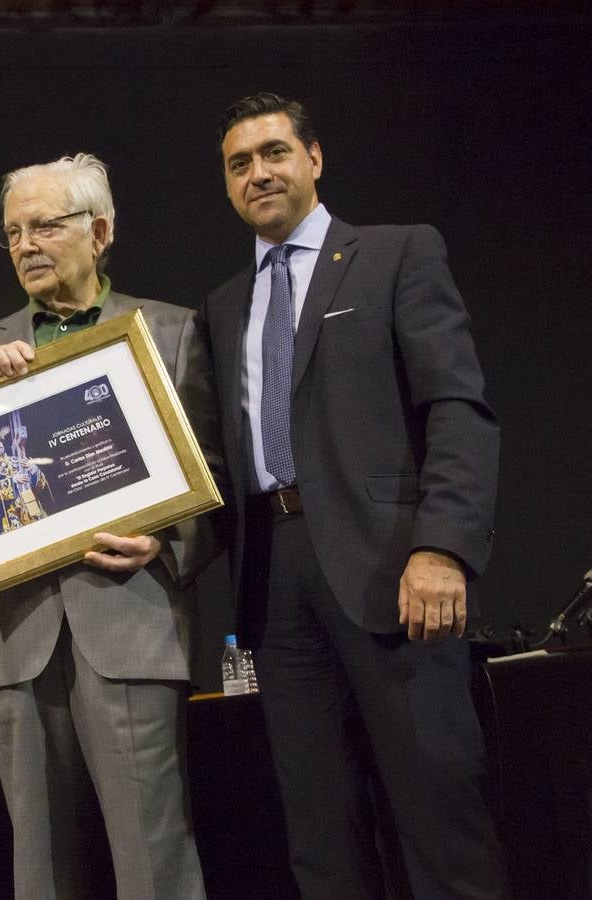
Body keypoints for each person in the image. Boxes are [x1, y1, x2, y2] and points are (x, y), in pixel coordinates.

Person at [200, 92, 506, 899]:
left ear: (314, 159)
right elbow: (215, 464)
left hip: (392, 571)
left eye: (274, 153)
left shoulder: (396, 253)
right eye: (240, 164)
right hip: (274, 585)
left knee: (440, 818)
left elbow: (458, 409)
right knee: (320, 835)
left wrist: (441, 547)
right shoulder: (225, 305)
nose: (258, 173)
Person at [0, 154, 221, 900]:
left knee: (154, 856)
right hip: (15, 634)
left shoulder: (172, 332)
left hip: (131, 622)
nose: (26, 244)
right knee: (40, 867)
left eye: (44, 225)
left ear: (99, 231)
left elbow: (215, 476)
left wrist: (167, 539)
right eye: (12, 233)